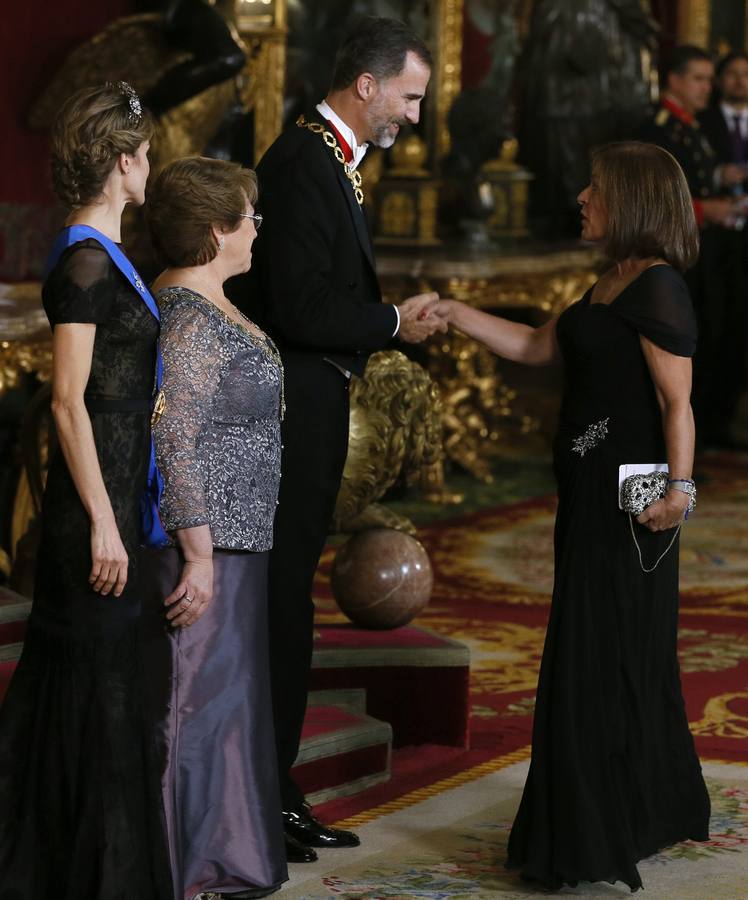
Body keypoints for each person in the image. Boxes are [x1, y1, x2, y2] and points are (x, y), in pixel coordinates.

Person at [434, 141, 710, 891]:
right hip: (586, 491)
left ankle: (603, 831)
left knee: (608, 651)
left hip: (635, 497)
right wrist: (456, 312)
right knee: (589, 648)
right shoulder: (609, 279)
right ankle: (628, 808)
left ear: (632, 201)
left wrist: (679, 493)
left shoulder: (657, 286)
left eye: (595, 189)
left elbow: (677, 404)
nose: (582, 198)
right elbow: (530, 343)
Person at [232, 16, 446, 863]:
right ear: (368, 85)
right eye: (411, 96)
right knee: (281, 601)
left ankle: (273, 787)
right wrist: (394, 321)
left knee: (292, 601)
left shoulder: (329, 161)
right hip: (289, 416)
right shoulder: (301, 162)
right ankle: (265, 792)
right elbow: (298, 308)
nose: (417, 117)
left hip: (312, 412)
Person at [0, 83, 172, 898]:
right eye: (144, 153)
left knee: (110, 693)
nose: (152, 165)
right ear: (120, 161)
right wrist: (105, 524)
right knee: (93, 696)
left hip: (116, 505)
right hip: (89, 518)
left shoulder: (110, 255)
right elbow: (67, 402)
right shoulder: (86, 264)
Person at [140, 156, 287, 900]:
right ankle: (189, 865)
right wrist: (198, 554)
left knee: (224, 701)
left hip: (239, 538)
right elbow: (175, 440)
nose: (258, 226)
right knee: (195, 704)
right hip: (209, 546)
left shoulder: (208, 301)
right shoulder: (188, 319)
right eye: (248, 216)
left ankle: (219, 853)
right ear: (213, 231)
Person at [640, 45, 748, 447]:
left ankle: (703, 432)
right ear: (675, 80)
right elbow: (653, 198)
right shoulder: (659, 127)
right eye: (700, 79)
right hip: (678, 255)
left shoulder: (689, 125)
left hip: (705, 252)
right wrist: (708, 209)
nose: (709, 87)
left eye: (708, 79)